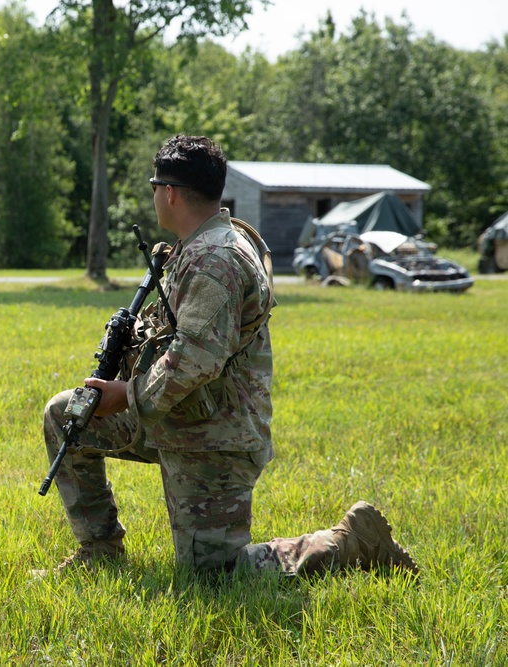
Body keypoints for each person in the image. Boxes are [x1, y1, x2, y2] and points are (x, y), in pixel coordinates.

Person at [40, 135, 418, 577]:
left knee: (215, 575)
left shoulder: (215, 256)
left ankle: (353, 540)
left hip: (215, 434)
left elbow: (196, 359)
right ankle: (99, 550)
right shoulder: (198, 244)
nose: (155, 195)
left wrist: (124, 395)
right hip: (178, 414)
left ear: (171, 193)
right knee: (67, 415)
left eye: (154, 186)